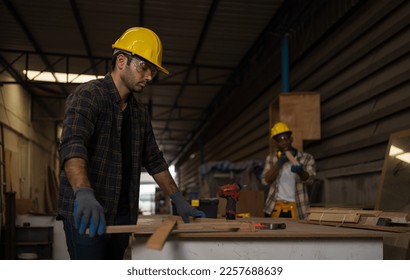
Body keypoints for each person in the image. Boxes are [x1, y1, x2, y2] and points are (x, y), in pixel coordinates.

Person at [57, 27, 206, 260]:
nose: (149, 76)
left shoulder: (139, 113)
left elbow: (154, 160)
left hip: (122, 216)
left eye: (152, 71)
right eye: (144, 67)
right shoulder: (89, 95)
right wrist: (84, 192)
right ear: (121, 61)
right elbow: (73, 145)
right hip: (87, 211)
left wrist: (177, 199)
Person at [262, 122, 316, 219]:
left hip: (298, 206)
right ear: (275, 143)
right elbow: (265, 180)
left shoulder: (306, 158)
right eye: (279, 140)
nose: (283, 142)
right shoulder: (271, 159)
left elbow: (310, 180)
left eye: (286, 138)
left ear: (291, 139)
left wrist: (301, 171)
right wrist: (279, 163)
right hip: (275, 206)